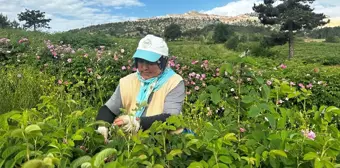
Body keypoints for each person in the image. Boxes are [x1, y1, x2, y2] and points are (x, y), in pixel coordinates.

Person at [95, 34, 186, 142]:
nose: (144, 67)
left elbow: (172, 118)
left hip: (164, 141)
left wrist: (138, 122)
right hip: (133, 142)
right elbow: (109, 109)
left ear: (163, 62)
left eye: (151, 63)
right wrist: (102, 125)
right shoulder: (127, 81)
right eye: (141, 62)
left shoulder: (174, 82)